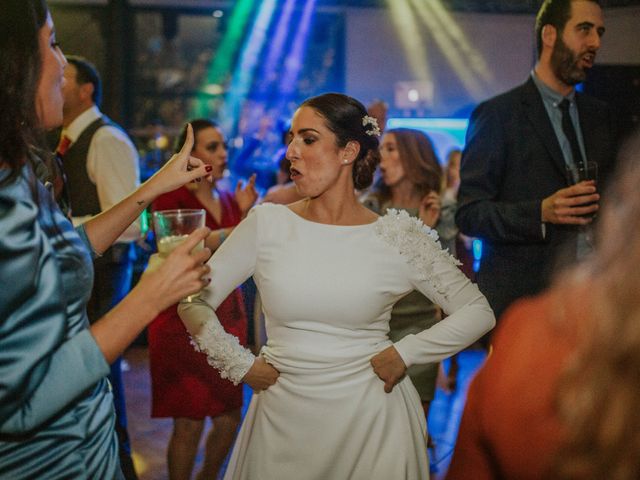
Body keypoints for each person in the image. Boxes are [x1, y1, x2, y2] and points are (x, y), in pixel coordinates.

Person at [178, 92, 495, 479]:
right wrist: (241, 365)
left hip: (373, 422)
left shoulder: (396, 236)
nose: (291, 151)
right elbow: (193, 301)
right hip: (283, 422)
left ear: (348, 151)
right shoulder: (267, 225)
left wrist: (406, 353)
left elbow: (477, 311)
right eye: (291, 139)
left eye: (307, 139)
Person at [0, 2, 212, 478]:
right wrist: (152, 293)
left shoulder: (18, 178)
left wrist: (153, 186)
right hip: (46, 461)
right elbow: (20, 399)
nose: (62, 64)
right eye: (53, 43)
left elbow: (60, 248)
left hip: (88, 445)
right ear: (13, 64)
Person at [446, 133, 640, 480]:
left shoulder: (534, 332)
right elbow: (471, 214)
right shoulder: (535, 330)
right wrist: (539, 211)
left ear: (617, 214)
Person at [455, 0, 618, 324]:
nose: (595, 43)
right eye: (584, 29)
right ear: (549, 34)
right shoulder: (499, 115)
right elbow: (470, 214)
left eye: (599, 32)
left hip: (598, 300)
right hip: (528, 305)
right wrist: (540, 212)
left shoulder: (604, 117)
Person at [148, 119, 257, 480]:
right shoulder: (170, 200)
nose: (223, 153)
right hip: (181, 321)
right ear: (189, 155)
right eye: (212, 147)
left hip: (228, 318)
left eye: (223, 146)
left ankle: (209, 475)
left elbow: (240, 253)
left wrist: (244, 211)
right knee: (189, 422)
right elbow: (184, 248)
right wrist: (245, 225)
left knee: (229, 415)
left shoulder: (229, 199)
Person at [58, 54, 141, 478]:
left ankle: (118, 467)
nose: (56, 80)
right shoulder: (66, 139)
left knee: (100, 379)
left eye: (65, 77)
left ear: (87, 89)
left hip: (104, 277)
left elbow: (130, 223)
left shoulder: (106, 139)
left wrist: (53, 227)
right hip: (79, 276)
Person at [361, 127, 445, 421]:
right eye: (381, 149)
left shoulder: (439, 209)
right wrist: (421, 234)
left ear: (414, 155)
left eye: (392, 148)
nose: (382, 156)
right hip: (374, 327)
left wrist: (428, 229)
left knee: (416, 420)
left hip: (421, 328)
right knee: (375, 420)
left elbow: (444, 280)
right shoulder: (370, 208)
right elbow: (371, 269)